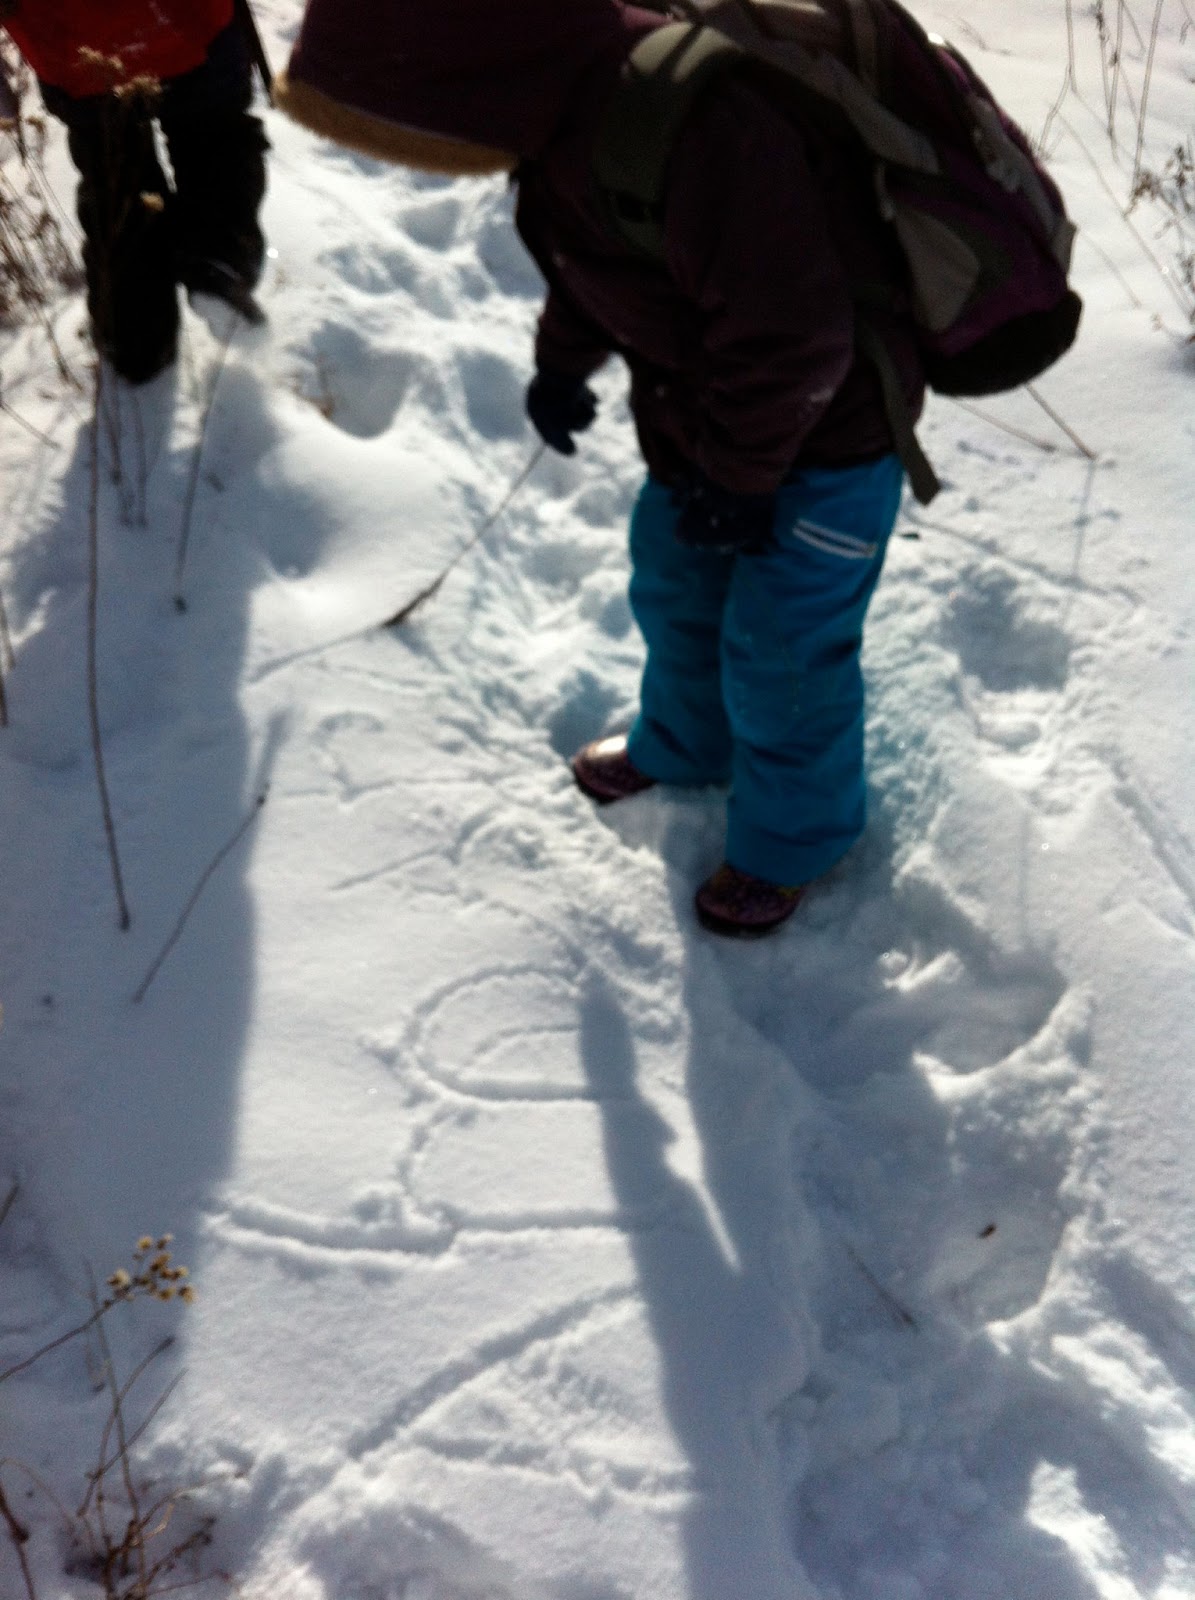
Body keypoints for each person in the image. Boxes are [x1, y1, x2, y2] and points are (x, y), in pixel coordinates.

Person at [275, 0, 925, 938]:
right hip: (707, 432)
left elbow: (798, 338)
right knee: (674, 586)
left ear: (462, 76)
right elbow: (598, 258)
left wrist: (741, 479)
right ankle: (687, 744)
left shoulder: (697, 123)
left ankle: (795, 842)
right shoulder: (555, 116)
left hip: (829, 441)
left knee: (779, 651)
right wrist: (561, 364)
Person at [0, 0, 269, 383]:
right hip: (188, 22)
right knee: (216, 138)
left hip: (70, 49)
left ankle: (134, 338)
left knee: (116, 176)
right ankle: (219, 261)